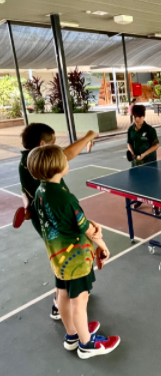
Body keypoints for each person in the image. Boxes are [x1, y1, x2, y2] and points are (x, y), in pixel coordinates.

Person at [27, 145, 121, 359]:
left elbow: (43, 224)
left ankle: (72, 335)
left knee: (61, 293)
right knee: (80, 301)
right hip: (76, 259)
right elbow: (85, 229)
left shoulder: (40, 193)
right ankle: (86, 344)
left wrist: (89, 223)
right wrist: (103, 246)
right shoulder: (67, 199)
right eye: (64, 159)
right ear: (59, 167)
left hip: (58, 258)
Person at [19, 123, 100, 321]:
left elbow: (24, 191)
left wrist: (26, 204)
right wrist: (89, 135)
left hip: (48, 227)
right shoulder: (63, 198)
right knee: (72, 269)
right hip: (62, 229)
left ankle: (63, 303)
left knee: (60, 264)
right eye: (54, 145)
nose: (60, 153)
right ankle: (74, 324)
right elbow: (66, 155)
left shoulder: (28, 162)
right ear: (41, 145)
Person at [127, 105, 160, 213]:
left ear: (144, 116)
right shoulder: (130, 130)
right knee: (137, 183)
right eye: (135, 116)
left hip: (149, 162)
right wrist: (132, 153)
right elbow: (129, 143)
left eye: (139, 116)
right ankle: (139, 199)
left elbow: (156, 145)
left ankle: (155, 205)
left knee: (151, 184)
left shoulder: (150, 130)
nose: (137, 119)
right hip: (136, 163)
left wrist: (144, 154)